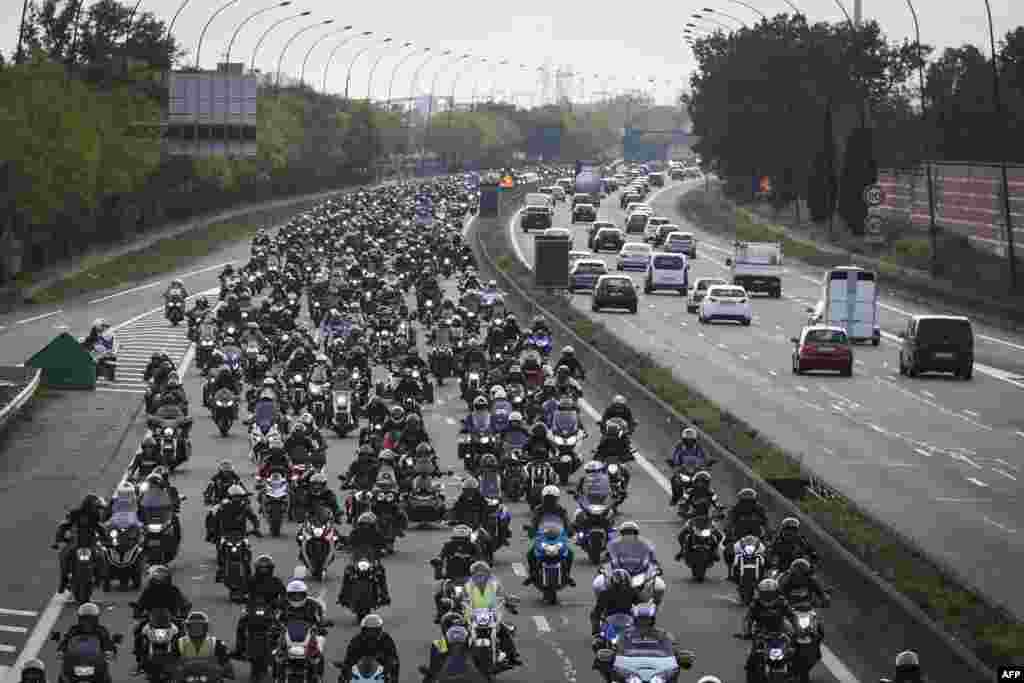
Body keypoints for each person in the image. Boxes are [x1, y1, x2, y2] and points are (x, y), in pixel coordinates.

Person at [462, 562, 522, 667]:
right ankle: (456, 658)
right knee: (457, 634)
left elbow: (503, 596)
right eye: (477, 574)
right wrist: (456, 604)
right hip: (472, 616)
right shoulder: (467, 586)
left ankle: (513, 656)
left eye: (483, 574)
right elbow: (461, 599)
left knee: (504, 631)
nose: (480, 576)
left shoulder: (494, 585)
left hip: (491, 615)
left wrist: (509, 602)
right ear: (473, 575)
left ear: (488, 574)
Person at [132, 565, 191, 672]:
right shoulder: (148, 591)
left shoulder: (174, 590)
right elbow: (139, 604)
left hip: (171, 619)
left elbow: (184, 602)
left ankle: (183, 658)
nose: (159, 581)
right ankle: (139, 658)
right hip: (152, 619)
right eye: (157, 578)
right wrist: (137, 611)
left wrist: (184, 612)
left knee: (183, 633)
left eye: (161, 578)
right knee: (137, 630)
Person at [740, 578, 795, 679]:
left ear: (777, 593)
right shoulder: (755, 604)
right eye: (766, 594)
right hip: (761, 632)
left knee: (793, 651)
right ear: (760, 593)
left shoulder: (782, 602)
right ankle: (752, 676)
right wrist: (746, 632)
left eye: (771, 594)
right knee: (753, 656)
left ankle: (795, 672)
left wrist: (798, 629)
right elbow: (748, 619)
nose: (768, 597)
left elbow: (792, 616)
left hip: (781, 631)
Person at [53, 494, 107, 594]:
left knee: (101, 557)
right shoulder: (75, 513)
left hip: (91, 543)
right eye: (95, 506)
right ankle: (63, 581)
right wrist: (58, 540)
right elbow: (64, 526)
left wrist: (107, 540)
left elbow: (100, 528)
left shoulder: (95, 515)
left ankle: (100, 578)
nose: (96, 508)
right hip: (76, 542)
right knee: (64, 555)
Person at [233, 555, 286, 657]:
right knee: (241, 624)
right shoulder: (250, 580)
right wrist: (239, 597)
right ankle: (239, 649)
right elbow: (241, 591)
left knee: (281, 626)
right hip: (252, 608)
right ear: (257, 568)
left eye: (266, 568)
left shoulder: (276, 581)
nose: (264, 570)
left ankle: (281, 648)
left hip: (271, 610)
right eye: (261, 568)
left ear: (271, 569)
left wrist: (280, 602)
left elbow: (284, 595)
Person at [523, 486, 575, 587]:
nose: (549, 501)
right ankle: (532, 575)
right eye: (547, 498)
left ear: (556, 499)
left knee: (570, 554)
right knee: (530, 554)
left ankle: (567, 575)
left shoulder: (561, 510)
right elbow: (533, 522)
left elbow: (566, 521)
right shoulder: (538, 509)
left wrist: (570, 529)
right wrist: (531, 530)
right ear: (543, 498)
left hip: (557, 536)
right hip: (543, 536)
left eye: (552, 498)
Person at [339, 512, 392, 607]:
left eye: (368, 525)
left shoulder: (377, 534)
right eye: (363, 524)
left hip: (372, 559)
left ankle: (385, 595)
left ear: (373, 525)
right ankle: (343, 596)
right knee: (348, 572)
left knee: (380, 572)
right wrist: (345, 546)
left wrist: (384, 549)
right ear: (359, 525)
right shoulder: (355, 533)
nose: (365, 527)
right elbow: (349, 542)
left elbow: (383, 543)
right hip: (357, 559)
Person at [605, 522, 664, 603]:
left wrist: (656, 566)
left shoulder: (644, 543)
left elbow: (651, 556)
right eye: (626, 532)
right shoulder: (614, 544)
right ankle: (602, 608)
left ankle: (654, 605)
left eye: (631, 532)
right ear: (622, 533)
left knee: (659, 586)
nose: (628, 535)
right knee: (600, 584)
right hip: (619, 572)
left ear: (636, 533)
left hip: (639, 571)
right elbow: (609, 556)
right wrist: (605, 567)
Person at [212, 485, 262, 582]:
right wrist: (214, 532)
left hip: (241, 535)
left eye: (238, 497)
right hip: (226, 534)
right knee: (221, 549)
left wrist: (256, 528)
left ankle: (247, 570)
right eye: (234, 497)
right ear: (230, 497)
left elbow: (253, 518)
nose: (237, 499)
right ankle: (221, 569)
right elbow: (215, 519)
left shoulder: (245, 507)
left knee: (247, 549)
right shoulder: (223, 507)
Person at [279, 580, 329, 674]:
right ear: (288, 595)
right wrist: (273, 624)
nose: (296, 598)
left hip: (309, 633)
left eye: (299, 595)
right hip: (287, 633)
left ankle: (317, 674)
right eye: (293, 595)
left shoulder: (314, 605)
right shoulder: (282, 604)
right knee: (277, 652)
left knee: (318, 651)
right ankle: (277, 673)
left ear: (305, 594)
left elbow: (320, 618)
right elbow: (276, 617)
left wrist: (323, 624)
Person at [431, 525, 479, 618]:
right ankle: (440, 613)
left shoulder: (474, 546)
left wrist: (481, 564)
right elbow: (440, 556)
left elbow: (481, 559)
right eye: (458, 539)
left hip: (469, 578)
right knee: (438, 594)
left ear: (468, 538)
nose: (460, 542)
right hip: (451, 578)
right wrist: (437, 561)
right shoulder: (448, 545)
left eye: (463, 539)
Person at [339, 614, 400, 682]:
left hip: (380, 674)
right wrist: (345, 671)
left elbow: (393, 657)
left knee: (393, 674)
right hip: (359, 675)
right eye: (368, 631)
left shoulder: (386, 639)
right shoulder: (356, 640)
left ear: (379, 630)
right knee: (342, 678)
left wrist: (391, 666)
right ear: (363, 630)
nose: (371, 633)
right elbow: (349, 658)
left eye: (374, 631)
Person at [724, 489, 770, 574]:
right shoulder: (735, 509)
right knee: (728, 550)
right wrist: (728, 531)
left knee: (768, 551)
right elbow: (729, 521)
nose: (747, 504)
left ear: (754, 501)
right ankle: (730, 570)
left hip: (757, 537)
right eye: (745, 501)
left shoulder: (760, 509)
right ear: (740, 501)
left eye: (750, 501)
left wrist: (769, 532)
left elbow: (766, 522)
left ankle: (765, 571)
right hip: (739, 537)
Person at [589, 568, 635, 637]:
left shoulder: (604, 594)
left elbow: (597, 612)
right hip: (626, 622)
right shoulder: (633, 591)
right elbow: (642, 605)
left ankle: (596, 634)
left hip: (613, 622)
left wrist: (596, 631)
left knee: (598, 643)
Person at [668, 428, 709, 505]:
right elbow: (674, 456)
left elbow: (705, 456)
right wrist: (674, 463)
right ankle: (675, 497)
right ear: (683, 440)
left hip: (697, 470)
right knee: (674, 480)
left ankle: (710, 500)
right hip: (683, 469)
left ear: (695, 440)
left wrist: (708, 462)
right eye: (687, 440)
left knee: (705, 479)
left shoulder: (699, 447)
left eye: (691, 440)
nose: (689, 442)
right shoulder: (679, 446)